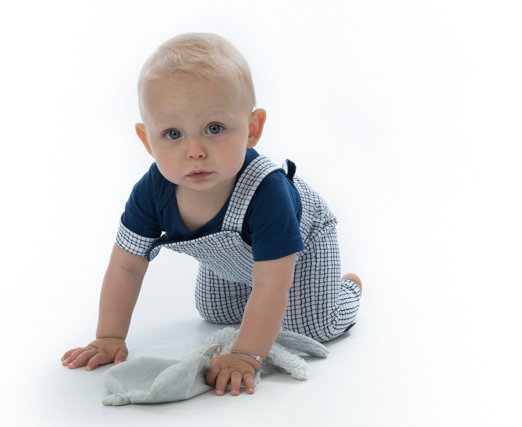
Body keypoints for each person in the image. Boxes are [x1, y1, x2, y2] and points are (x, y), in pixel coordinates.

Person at [61, 33, 362, 397]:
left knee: (310, 325)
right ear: (147, 141)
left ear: (252, 129)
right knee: (215, 311)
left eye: (214, 129)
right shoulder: (152, 192)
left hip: (300, 249)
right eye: (173, 134)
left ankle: (345, 290)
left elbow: (271, 284)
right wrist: (109, 336)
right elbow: (126, 266)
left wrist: (245, 356)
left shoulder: (268, 193)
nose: (195, 151)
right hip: (236, 260)